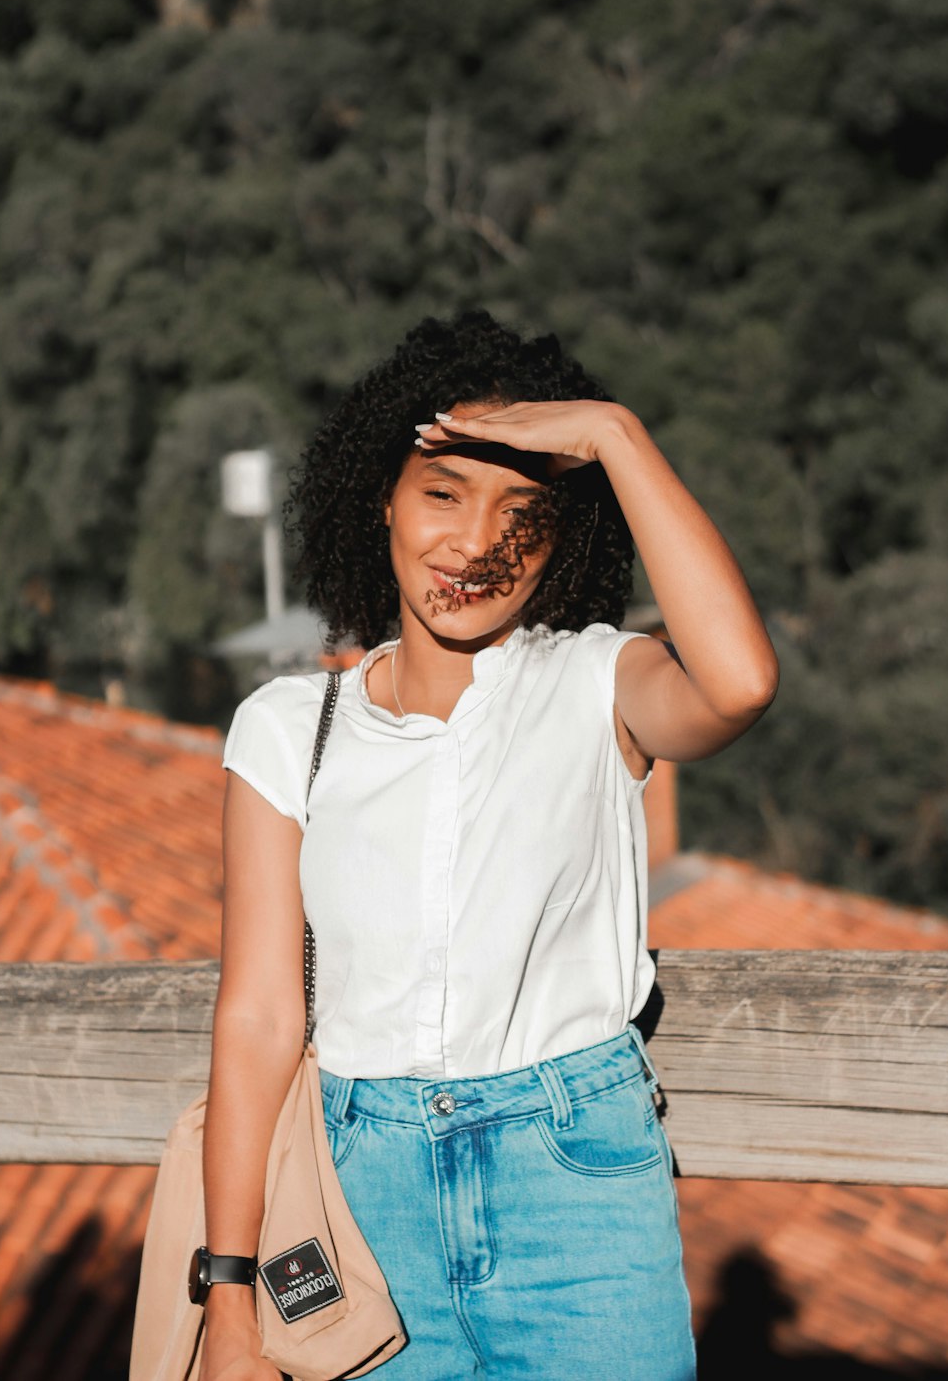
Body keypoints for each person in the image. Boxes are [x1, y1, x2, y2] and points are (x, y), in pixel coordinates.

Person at [198, 310, 779, 1381]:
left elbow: (741, 682)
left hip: (579, 1189)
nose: (474, 545)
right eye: (442, 493)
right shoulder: (287, 729)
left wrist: (615, 435)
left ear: (564, 538)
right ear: (380, 496)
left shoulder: (600, 682)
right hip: (360, 1201)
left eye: (523, 511)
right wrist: (228, 1295)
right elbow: (260, 1016)